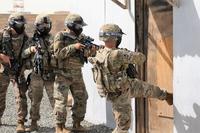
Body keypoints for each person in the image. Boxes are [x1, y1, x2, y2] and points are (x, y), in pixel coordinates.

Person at [88, 23, 173, 133]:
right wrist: (126, 52)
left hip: (122, 87)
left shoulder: (100, 52)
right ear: (115, 38)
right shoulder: (117, 54)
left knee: (147, 88)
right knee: (123, 127)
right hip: (121, 95)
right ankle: (165, 95)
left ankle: (165, 95)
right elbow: (141, 58)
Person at [53, 13, 91, 133]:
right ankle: (59, 127)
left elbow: (86, 54)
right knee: (61, 100)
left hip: (77, 73)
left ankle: (77, 124)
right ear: (71, 25)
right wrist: (74, 47)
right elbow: (58, 53)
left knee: (82, 97)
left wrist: (90, 51)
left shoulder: (81, 37)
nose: (81, 29)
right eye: (79, 26)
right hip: (63, 74)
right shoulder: (61, 36)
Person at [22, 14, 55, 131]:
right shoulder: (31, 40)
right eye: (42, 25)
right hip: (36, 75)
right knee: (35, 100)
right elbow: (23, 54)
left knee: (55, 100)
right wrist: (31, 49)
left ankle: (60, 125)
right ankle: (33, 123)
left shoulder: (54, 39)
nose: (45, 27)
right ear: (37, 26)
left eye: (47, 25)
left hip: (51, 74)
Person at [0, 13, 30, 132]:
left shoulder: (25, 37)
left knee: (21, 96)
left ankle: (20, 123)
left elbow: (28, 52)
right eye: (19, 24)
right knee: (0, 96)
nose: (21, 26)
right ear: (12, 23)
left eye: (23, 24)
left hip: (18, 71)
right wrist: (2, 56)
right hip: (3, 70)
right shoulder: (2, 34)